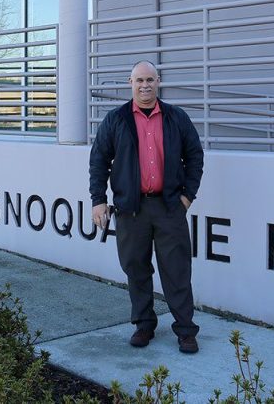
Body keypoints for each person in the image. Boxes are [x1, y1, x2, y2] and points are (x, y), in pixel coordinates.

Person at [89, 60, 204, 353]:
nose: (145, 85)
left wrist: (186, 197)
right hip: (131, 209)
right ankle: (144, 324)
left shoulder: (176, 118)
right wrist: (98, 200)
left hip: (169, 207)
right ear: (130, 83)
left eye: (150, 80)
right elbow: (98, 161)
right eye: (139, 80)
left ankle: (186, 331)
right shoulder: (116, 120)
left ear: (158, 81)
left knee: (177, 269)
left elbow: (195, 157)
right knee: (136, 268)